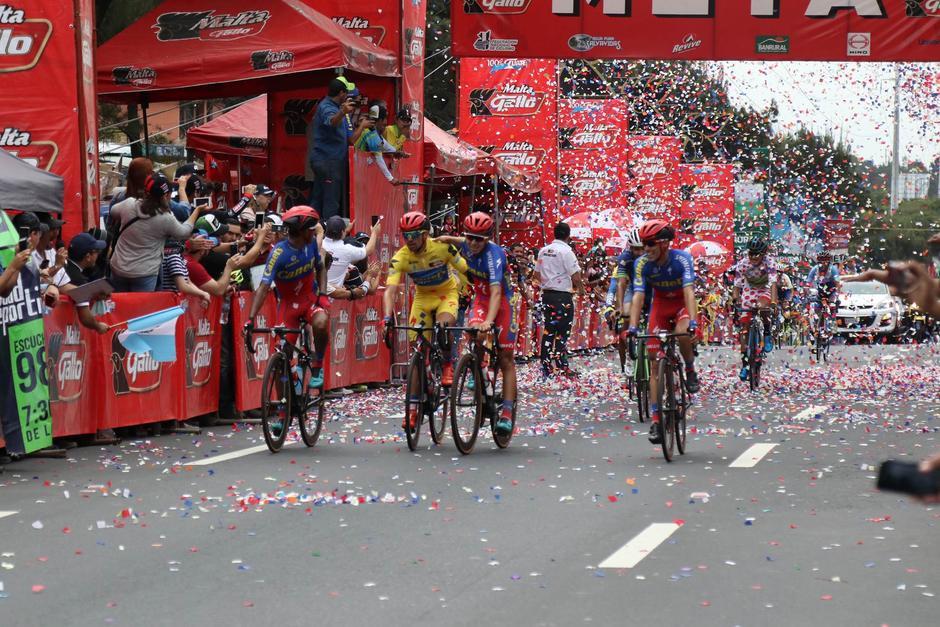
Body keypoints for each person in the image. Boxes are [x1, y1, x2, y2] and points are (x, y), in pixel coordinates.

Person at [382, 211, 468, 428]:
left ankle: (448, 363)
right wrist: (386, 318)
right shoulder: (400, 257)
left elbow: (465, 268)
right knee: (418, 355)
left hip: (446, 295)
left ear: (425, 234)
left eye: (414, 235)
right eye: (405, 236)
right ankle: (412, 410)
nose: (409, 240)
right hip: (422, 298)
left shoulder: (442, 247)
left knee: (444, 324)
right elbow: (390, 290)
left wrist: (467, 289)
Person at [626, 219, 700, 445]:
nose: (646, 249)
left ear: (664, 244)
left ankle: (689, 368)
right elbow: (638, 296)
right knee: (654, 361)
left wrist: (694, 322)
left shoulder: (682, 259)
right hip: (660, 306)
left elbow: (689, 291)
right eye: (644, 245)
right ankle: (657, 421)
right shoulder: (641, 264)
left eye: (650, 244)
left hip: (680, 305)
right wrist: (632, 327)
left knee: (683, 332)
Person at [447, 212, 519, 435]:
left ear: (488, 239)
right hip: (481, 299)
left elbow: (496, 292)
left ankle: (506, 412)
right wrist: (445, 239)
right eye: (470, 237)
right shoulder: (467, 244)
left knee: (506, 359)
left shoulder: (494, 256)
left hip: (502, 303)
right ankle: (481, 372)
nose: (473, 243)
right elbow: (460, 241)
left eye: (479, 239)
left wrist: (489, 321)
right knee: (475, 333)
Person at [245, 206, 330, 389]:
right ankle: (284, 410)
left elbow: (321, 267)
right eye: (311, 228)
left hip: (310, 301)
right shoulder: (279, 254)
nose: (314, 231)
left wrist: (322, 295)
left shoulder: (312, 242)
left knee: (322, 322)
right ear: (300, 231)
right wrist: (250, 319)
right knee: (281, 357)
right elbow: (263, 287)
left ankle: (318, 365)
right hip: (287, 306)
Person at [109, 173, 202, 292]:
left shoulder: (129, 204)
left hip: (118, 268)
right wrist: (197, 211)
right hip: (144, 274)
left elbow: (113, 211)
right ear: (166, 196)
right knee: (143, 309)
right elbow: (184, 232)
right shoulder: (165, 218)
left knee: (120, 307)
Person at [535, 222, 583, 378]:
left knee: (548, 330)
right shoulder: (567, 251)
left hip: (546, 295)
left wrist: (547, 282)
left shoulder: (543, 251)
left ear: (554, 233)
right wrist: (581, 290)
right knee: (562, 332)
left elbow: (536, 275)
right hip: (562, 297)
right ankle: (563, 367)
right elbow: (576, 276)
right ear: (568, 235)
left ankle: (546, 367)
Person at [308, 78, 356, 220]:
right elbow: (331, 122)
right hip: (328, 161)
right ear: (341, 93)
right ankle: (330, 235)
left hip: (326, 160)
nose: (348, 96)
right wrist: (342, 113)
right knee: (331, 200)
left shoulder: (332, 106)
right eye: (346, 93)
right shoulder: (327, 107)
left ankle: (311, 228)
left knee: (319, 197)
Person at [731, 237, 778, 381]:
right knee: (744, 324)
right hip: (749, 290)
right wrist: (735, 300)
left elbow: (773, 284)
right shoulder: (743, 264)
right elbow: (737, 286)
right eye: (751, 253)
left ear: (763, 254)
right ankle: (745, 365)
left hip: (764, 290)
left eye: (757, 254)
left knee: (762, 307)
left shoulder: (769, 262)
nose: (753, 257)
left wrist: (774, 302)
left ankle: (767, 331)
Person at [322, 216, 381, 299]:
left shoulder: (318, 244)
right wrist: (374, 233)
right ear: (343, 232)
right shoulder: (346, 250)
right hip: (332, 299)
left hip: (322, 294)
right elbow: (369, 250)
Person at [62, 233, 110, 334]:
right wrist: (98, 326)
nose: (99, 254)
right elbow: (85, 318)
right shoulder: (79, 280)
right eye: (97, 252)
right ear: (88, 256)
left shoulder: (62, 265)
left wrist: (92, 294)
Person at [806, 251, 840, 336]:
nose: (823, 263)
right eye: (821, 261)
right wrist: (806, 290)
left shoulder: (833, 269)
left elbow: (837, 282)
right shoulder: (815, 269)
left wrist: (837, 292)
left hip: (831, 291)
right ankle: (816, 325)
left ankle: (832, 322)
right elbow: (808, 282)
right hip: (820, 292)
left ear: (829, 262)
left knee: (833, 305)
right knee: (815, 306)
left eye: (826, 261)